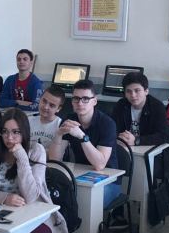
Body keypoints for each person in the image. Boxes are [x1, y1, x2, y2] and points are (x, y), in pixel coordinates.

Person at [48, 79, 121, 207]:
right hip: (80, 176)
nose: (80, 103)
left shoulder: (107, 123)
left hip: (108, 181)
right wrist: (58, 134)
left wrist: (82, 137)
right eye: (76, 99)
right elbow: (55, 160)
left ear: (94, 101)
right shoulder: (69, 119)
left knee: (81, 202)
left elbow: (99, 165)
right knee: (56, 196)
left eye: (85, 99)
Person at [112, 72, 167, 146]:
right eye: (128, 91)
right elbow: (112, 128)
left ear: (146, 91)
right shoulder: (121, 104)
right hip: (125, 146)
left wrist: (136, 141)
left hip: (148, 148)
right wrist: (119, 138)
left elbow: (163, 136)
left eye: (137, 90)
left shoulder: (157, 106)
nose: (133, 95)